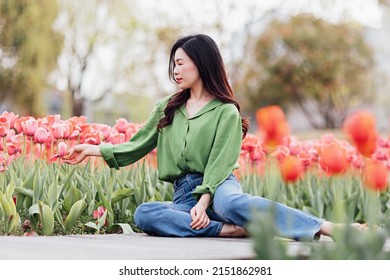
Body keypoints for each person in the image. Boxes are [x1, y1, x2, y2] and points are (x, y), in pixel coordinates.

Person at [63, 34, 366, 240]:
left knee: (234, 205)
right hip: (184, 195)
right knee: (146, 214)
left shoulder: (225, 112)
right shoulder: (168, 107)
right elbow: (136, 144)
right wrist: (92, 149)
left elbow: (221, 162)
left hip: (220, 186)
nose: (175, 70)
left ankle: (325, 227)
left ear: (201, 63)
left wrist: (205, 198)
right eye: (174, 64)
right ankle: (230, 231)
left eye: (181, 62)